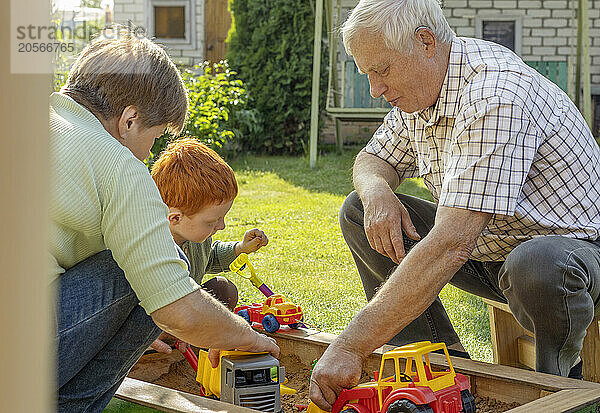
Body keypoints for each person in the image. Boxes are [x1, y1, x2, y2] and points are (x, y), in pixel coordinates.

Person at [309, 0, 600, 410]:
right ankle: (437, 370)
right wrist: (377, 193)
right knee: (359, 210)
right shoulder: (421, 90)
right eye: (367, 73)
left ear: (425, 42)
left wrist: (351, 345)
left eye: (381, 70)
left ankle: (560, 388)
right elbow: (373, 160)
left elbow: (451, 243)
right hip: (492, 251)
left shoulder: (494, 94)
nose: (375, 88)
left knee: (535, 262)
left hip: (571, 258)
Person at [50, 27, 278, 413]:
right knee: (151, 268)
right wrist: (252, 340)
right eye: (154, 138)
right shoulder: (118, 165)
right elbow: (178, 308)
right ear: (129, 120)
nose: (148, 152)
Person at [148, 138, 269, 353]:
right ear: (174, 218)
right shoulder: (151, 244)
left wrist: (239, 249)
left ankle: (197, 343)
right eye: (212, 222)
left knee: (223, 289)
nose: (221, 226)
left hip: (187, 310)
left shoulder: (196, 240)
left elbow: (209, 258)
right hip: (156, 315)